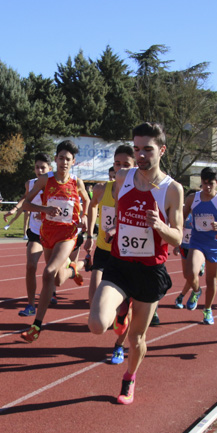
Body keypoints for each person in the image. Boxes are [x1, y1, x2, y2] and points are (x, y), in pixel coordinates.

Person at [88, 122, 184, 405]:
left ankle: (129, 378)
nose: (141, 155)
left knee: (136, 339)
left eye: (148, 149)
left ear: (162, 150)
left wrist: (159, 226)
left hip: (149, 271)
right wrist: (117, 228)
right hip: (119, 264)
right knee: (96, 324)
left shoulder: (172, 189)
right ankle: (121, 314)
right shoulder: (123, 177)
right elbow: (120, 210)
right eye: (137, 148)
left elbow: (177, 237)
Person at [19, 140, 90, 343]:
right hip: (47, 233)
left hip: (68, 233)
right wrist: (45, 210)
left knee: (48, 272)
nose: (64, 162)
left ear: (73, 162)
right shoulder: (44, 180)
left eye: (68, 159)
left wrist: (84, 216)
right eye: (61, 158)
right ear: (56, 159)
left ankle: (36, 325)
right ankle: (76, 267)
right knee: (57, 279)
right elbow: (26, 204)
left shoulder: (77, 182)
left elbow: (88, 201)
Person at [84, 144, 135, 364]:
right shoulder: (100, 189)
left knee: (126, 307)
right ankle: (113, 314)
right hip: (105, 251)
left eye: (126, 165)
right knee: (93, 295)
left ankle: (119, 346)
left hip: (127, 254)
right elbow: (92, 206)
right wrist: (90, 233)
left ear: (134, 167)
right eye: (117, 164)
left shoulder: (138, 191)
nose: (120, 169)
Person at [182, 167, 217, 325]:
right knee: (190, 273)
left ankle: (207, 310)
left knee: (212, 280)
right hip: (197, 241)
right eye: (204, 183)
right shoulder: (193, 198)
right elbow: (181, 216)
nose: (207, 187)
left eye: (211, 183)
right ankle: (197, 291)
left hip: (215, 243)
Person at [3, 153, 52, 317]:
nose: (39, 170)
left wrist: (44, 212)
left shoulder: (56, 183)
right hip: (36, 232)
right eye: (37, 167)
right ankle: (31, 304)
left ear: (49, 169)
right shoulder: (30, 183)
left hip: (54, 233)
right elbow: (25, 199)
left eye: (43, 167)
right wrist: (14, 209)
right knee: (31, 265)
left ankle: (53, 288)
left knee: (53, 271)